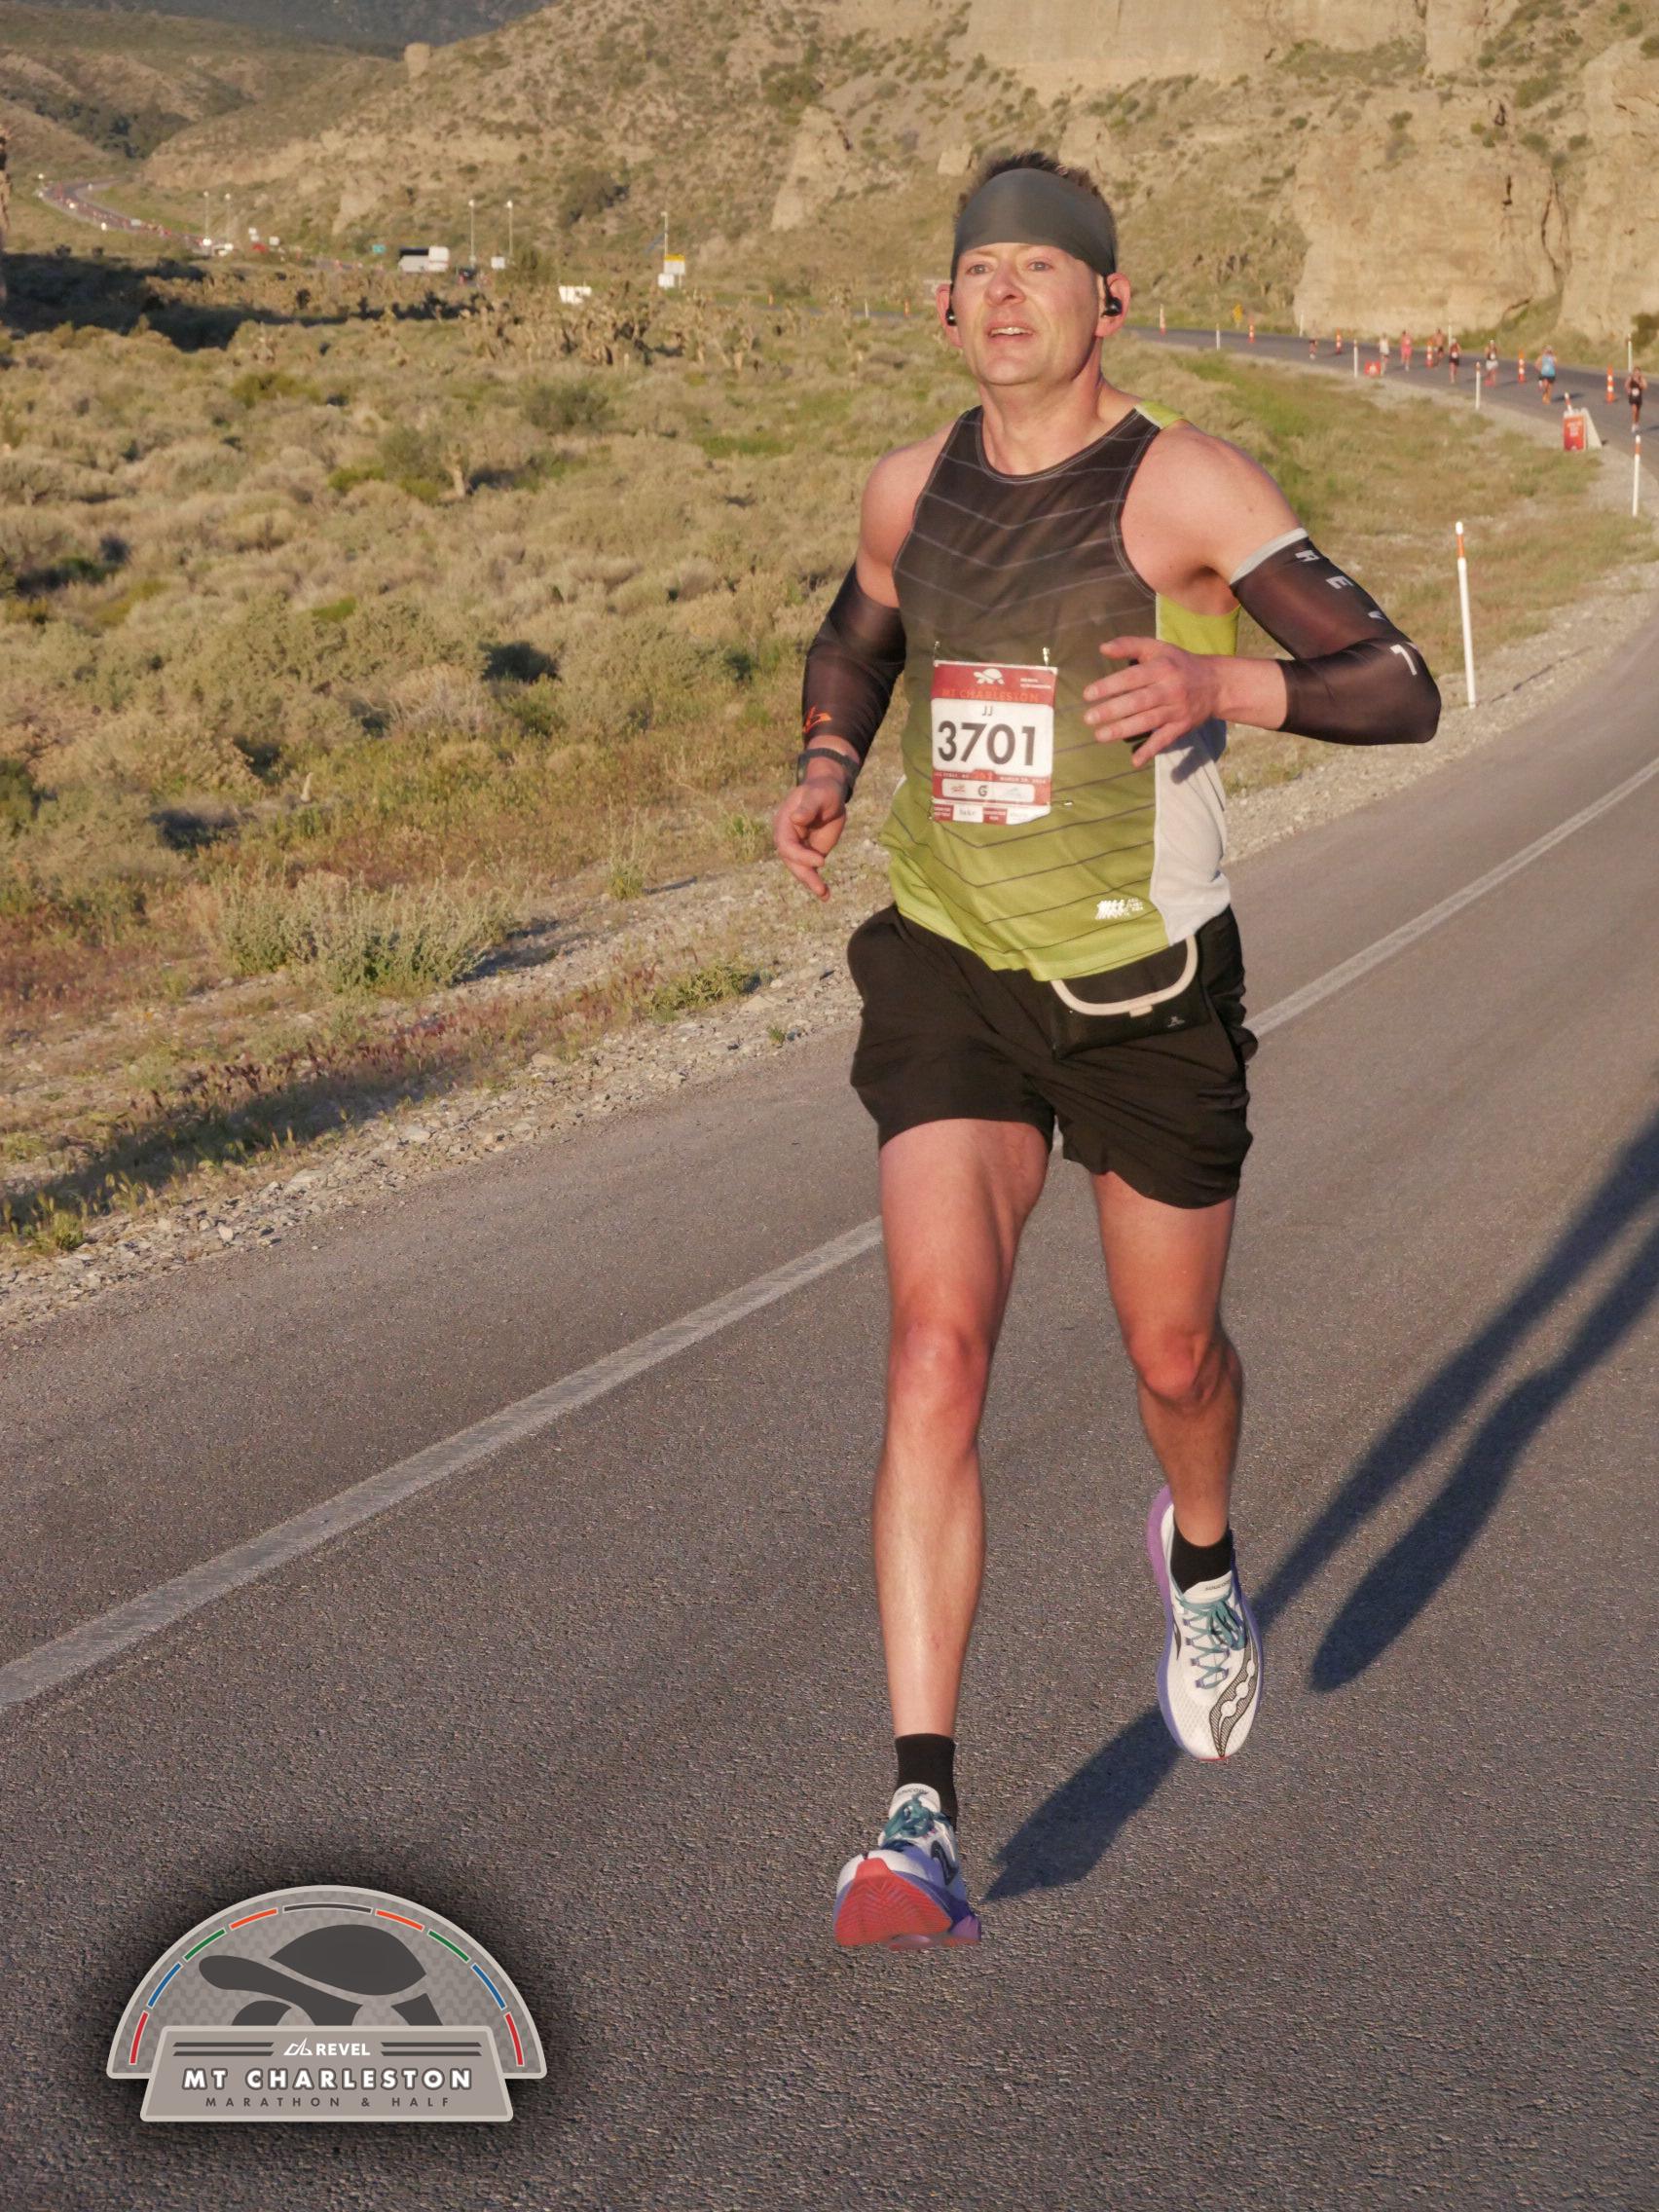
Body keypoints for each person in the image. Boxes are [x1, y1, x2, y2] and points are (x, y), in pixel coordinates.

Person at [772, 149, 1442, 1953]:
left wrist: (1227, 684)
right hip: (953, 969)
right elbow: (861, 628)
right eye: (978, 272)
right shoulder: (906, 483)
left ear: (1108, 301)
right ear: (942, 307)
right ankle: (918, 1815)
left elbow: (1398, 684)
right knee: (934, 1350)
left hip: (1147, 995)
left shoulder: (1185, 484)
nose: (1005, 297)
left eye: (1041, 271)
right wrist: (828, 762)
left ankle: (1200, 1556)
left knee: (1172, 1354)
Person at [1627, 365, 1645, 430]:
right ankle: (1633, 424)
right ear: (1634, 372)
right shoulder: (1631, 378)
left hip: (1639, 397)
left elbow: (1645, 386)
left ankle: (1636, 423)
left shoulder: (1641, 378)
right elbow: (1626, 385)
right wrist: (1628, 389)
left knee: (1638, 411)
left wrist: (1641, 384)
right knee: (1634, 410)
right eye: (1636, 372)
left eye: (1638, 372)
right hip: (1632, 397)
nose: (1637, 373)